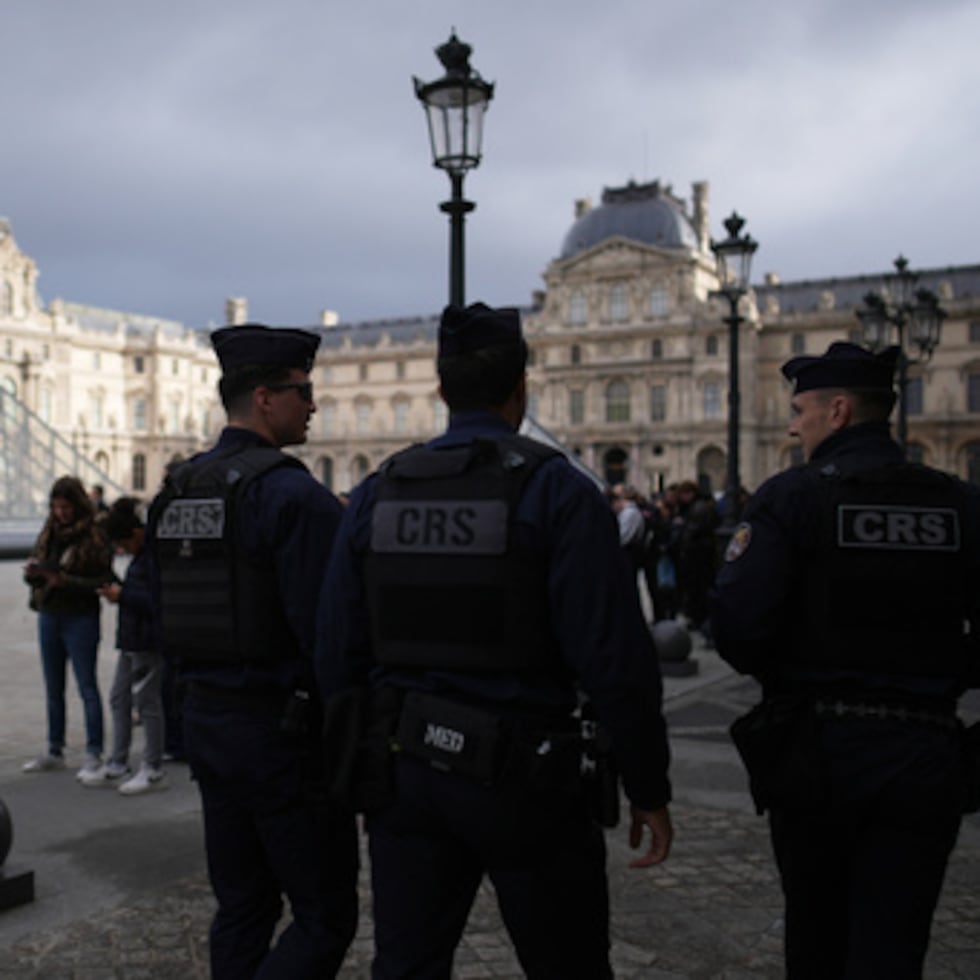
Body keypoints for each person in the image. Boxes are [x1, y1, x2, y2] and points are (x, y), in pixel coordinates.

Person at [317, 302, 673, 979]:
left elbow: (336, 648)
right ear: (523, 388)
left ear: (441, 388)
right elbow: (614, 660)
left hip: (408, 769)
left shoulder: (376, 493)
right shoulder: (561, 491)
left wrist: (362, 766)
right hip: (530, 773)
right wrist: (648, 784)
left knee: (407, 966)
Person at [711, 341, 980, 979]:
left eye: (799, 409)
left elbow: (739, 630)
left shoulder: (792, 499)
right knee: (896, 942)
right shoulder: (962, 504)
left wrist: (793, 664)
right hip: (925, 748)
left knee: (815, 935)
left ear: (836, 412)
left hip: (817, 748)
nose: (790, 423)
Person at [148, 323, 358, 978]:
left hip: (208, 725)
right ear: (265, 397)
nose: (314, 404)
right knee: (325, 915)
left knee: (241, 905)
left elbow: (159, 615)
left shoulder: (178, 491)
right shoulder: (295, 496)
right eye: (304, 391)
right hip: (283, 738)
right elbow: (332, 639)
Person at [22, 475, 112, 777]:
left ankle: (94, 752)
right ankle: (54, 749)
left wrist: (65, 581)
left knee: (87, 686)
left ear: (77, 504)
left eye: (65, 507)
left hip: (80, 616)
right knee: (53, 686)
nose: (60, 513)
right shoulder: (50, 530)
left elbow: (103, 580)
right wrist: (35, 573)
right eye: (55, 507)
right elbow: (37, 561)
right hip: (50, 612)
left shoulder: (94, 534)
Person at [83, 497, 166, 795]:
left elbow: (158, 603)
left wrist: (122, 596)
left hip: (147, 640)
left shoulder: (154, 557)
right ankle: (118, 761)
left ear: (135, 534)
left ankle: (152, 766)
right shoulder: (142, 556)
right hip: (131, 638)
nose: (121, 551)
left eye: (122, 544)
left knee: (148, 703)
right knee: (119, 698)